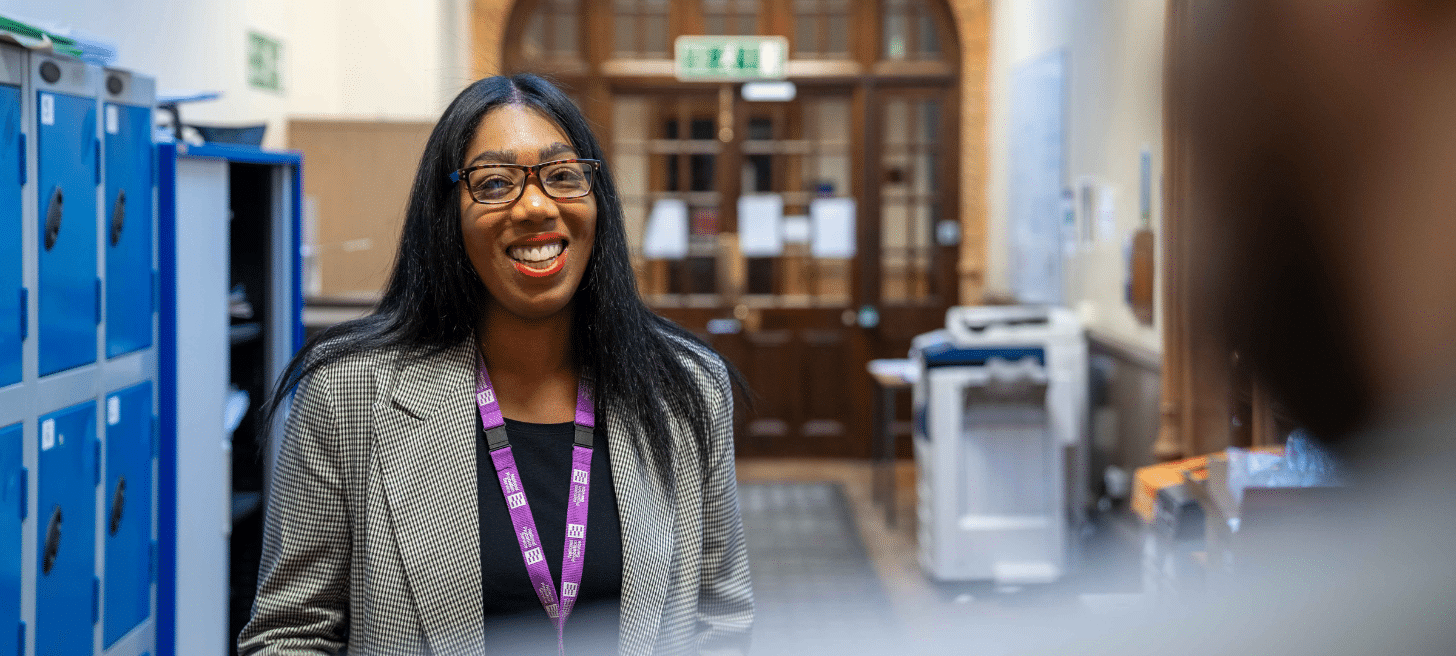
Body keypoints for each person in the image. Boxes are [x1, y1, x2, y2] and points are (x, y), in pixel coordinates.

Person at [237, 74, 754, 656]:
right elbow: (291, 637)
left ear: (597, 200)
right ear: (447, 215)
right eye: (496, 182)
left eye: (563, 176)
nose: (536, 206)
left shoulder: (686, 389)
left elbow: (722, 621)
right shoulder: (346, 395)